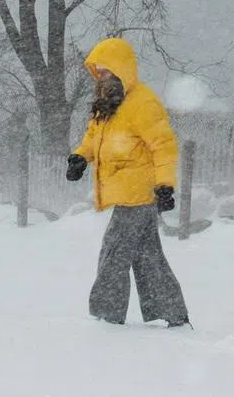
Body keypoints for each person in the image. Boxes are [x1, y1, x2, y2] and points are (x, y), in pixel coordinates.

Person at [66, 36, 190, 327]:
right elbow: (94, 137)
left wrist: (165, 185)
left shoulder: (142, 103)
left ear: (121, 68)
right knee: (148, 257)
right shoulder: (108, 104)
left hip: (138, 193)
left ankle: (106, 316)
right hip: (128, 194)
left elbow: (163, 146)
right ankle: (173, 313)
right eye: (98, 72)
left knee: (114, 252)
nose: (101, 77)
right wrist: (81, 157)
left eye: (106, 71)